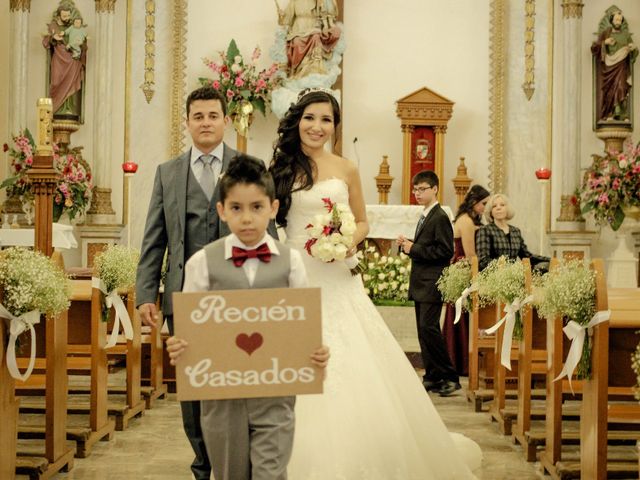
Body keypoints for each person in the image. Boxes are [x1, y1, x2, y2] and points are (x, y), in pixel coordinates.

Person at [270, 88, 481, 478]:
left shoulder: (346, 168)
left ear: (335, 126)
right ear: (298, 120)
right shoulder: (283, 168)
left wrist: (343, 242)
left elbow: (363, 221)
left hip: (336, 273)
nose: (317, 127)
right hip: (295, 274)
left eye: (326, 120)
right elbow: (270, 219)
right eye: (310, 118)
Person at [166, 155, 330, 480]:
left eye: (257, 207)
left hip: (275, 394)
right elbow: (190, 326)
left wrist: (316, 351)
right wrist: (180, 345)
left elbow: (303, 325)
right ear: (222, 211)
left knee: (271, 472)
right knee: (230, 474)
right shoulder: (202, 262)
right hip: (221, 398)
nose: (247, 219)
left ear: (273, 208)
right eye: (237, 208)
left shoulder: (291, 262)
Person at [136, 86, 260, 480]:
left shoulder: (250, 166)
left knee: (239, 381)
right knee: (193, 385)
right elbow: (154, 238)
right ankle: (203, 465)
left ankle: (237, 463)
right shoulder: (168, 173)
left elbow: (266, 232)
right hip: (183, 299)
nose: (205, 123)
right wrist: (146, 295)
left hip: (241, 293)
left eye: (212, 116)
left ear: (226, 120)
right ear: (187, 122)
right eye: (198, 116)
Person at [398, 171, 460, 397]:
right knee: (424, 332)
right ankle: (432, 376)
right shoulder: (426, 215)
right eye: (415, 189)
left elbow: (445, 251)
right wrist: (409, 245)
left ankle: (450, 377)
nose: (417, 193)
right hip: (422, 282)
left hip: (432, 283)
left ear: (435, 189)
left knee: (430, 330)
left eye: (422, 189)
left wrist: (413, 248)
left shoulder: (440, 216)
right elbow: (428, 248)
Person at [442, 185, 490, 376]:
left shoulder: (471, 220)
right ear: (474, 202)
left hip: (461, 268)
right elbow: (470, 254)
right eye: (484, 203)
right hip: (463, 270)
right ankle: (459, 363)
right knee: (461, 319)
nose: (485, 207)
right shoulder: (466, 221)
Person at [476, 193, 549, 271]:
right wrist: (505, 268)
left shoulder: (515, 231)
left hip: (513, 277)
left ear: (508, 209)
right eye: (494, 206)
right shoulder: (485, 230)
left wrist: (550, 260)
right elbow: (483, 261)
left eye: (502, 205)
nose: (498, 208)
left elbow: (527, 256)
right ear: (491, 211)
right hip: (492, 277)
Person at [591, 6, 638, 124]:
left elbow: (634, 51)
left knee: (622, 87)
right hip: (609, 67)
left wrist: (633, 49)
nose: (618, 22)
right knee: (610, 89)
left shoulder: (626, 35)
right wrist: (604, 42)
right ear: (611, 20)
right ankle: (609, 113)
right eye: (616, 20)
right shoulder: (606, 33)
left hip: (622, 67)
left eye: (620, 20)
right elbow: (594, 48)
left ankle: (622, 114)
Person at [277, 0, 341, 78]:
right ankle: (296, 71)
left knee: (316, 37)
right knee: (296, 42)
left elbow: (324, 14)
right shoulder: (294, 2)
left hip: (312, 28)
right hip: (298, 30)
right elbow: (286, 20)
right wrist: (282, 16)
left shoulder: (316, 1)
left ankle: (315, 68)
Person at [43, 6, 86, 116]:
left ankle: (68, 107)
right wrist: (53, 38)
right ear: (58, 16)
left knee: (70, 83)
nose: (67, 18)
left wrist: (81, 44)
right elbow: (46, 42)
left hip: (72, 60)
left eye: (68, 15)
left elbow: (83, 41)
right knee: (56, 81)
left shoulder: (74, 27)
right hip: (59, 58)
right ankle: (56, 108)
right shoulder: (54, 26)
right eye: (64, 16)